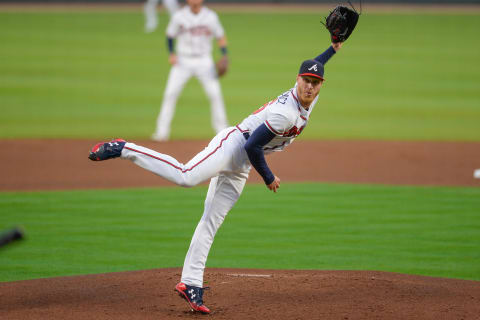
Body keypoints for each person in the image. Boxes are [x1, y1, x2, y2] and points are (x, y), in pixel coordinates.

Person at [89, 41, 343, 314]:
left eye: (315, 83)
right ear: (297, 80)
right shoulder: (285, 113)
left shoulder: (310, 97)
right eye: (306, 81)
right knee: (185, 176)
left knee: (211, 221)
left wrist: (333, 48)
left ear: (320, 86)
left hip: (242, 165)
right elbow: (252, 147)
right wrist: (268, 177)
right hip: (233, 145)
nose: (310, 87)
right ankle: (124, 148)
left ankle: (190, 283)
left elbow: (317, 65)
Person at [151, 0, 229, 142]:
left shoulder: (211, 16)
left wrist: (225, 54)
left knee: (215, 94)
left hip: (204, 61)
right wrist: (171, 53)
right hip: (182, 61)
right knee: (170, 94)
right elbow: (170, 35)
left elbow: (220, 36)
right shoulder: (179, 16)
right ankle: (161, 132)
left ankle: (222, 131)